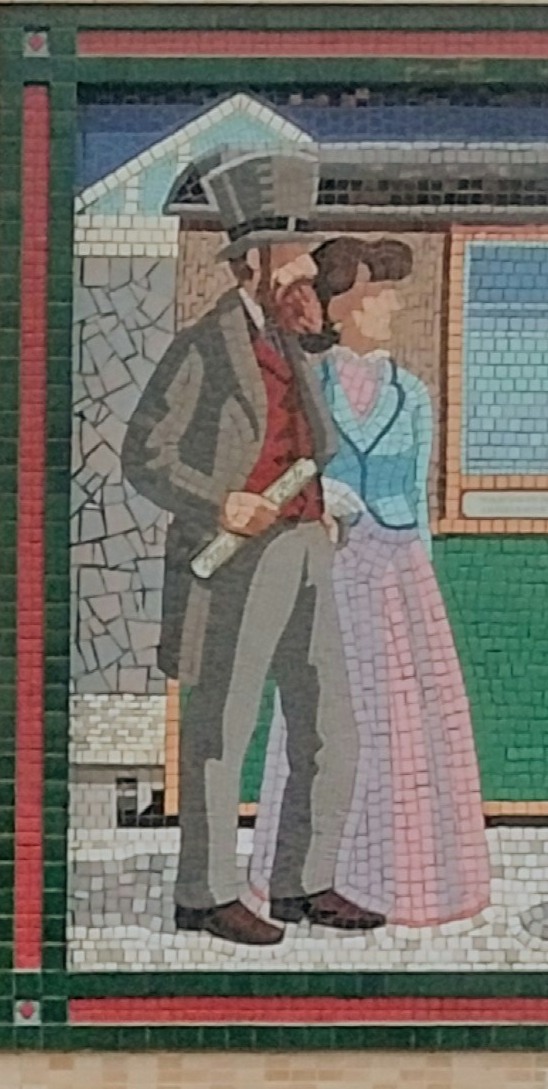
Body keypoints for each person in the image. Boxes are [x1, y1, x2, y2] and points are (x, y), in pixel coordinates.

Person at [122, 187, 366, 944]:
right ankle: (206, 894)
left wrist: (321, 508)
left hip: (304, 546)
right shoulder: (204, 346)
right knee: (221, 730)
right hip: (231, 560)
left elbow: (309, 442)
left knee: (329, 723)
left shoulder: (292, 343)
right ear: (249, 267)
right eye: (290, 261)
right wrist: (220, 502)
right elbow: (145, 454)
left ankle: (304, 881)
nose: (305, 273)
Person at [292, 238, 491, 930]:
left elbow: (418, 493)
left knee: (409, 721)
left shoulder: (413, 394)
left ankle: (411, 874)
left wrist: (420, 570)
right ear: (342, 307)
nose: (393, 306)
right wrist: (325, 498)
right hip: (334, 565)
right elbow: (293, 472)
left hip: (399, 567)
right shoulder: (309, 387)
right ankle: (319, 871)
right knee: (331, 716)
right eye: (378, 294)